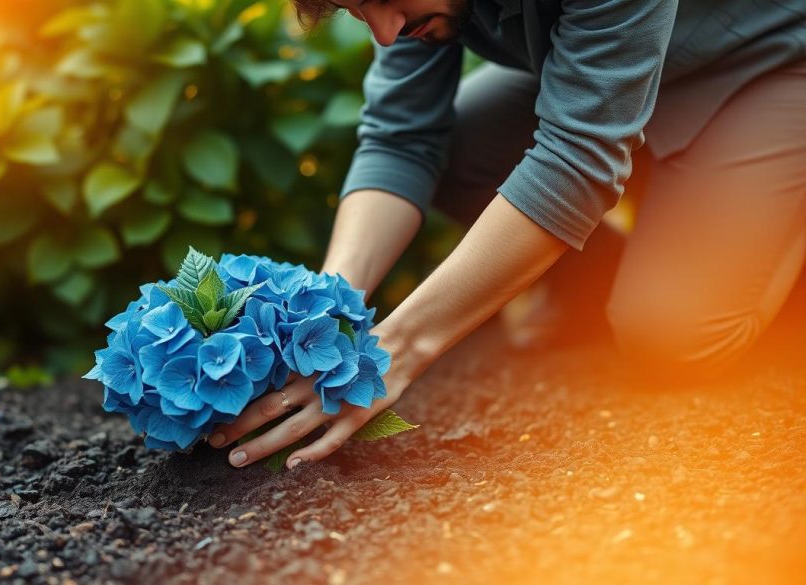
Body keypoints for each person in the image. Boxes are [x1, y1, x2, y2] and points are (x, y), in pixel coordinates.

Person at [207, 0, 806, 469]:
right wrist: (328, 303)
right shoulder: (414, 12)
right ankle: (612, 278)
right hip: (617, 77)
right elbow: (401, 137)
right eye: (358, 11)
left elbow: (575, 158)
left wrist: (394, 349)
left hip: (764, 67)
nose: (384, 32)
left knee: (672, 335)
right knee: (458, 149)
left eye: (383, 0)